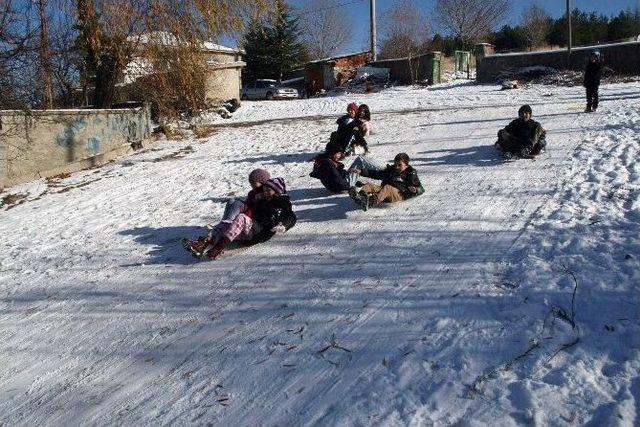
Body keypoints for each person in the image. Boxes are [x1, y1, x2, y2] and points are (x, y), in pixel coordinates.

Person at [185, 178, 296, 259]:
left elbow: (291, 216)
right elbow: (251, 208)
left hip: (260, 233)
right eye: (265, 190)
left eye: (268, 190)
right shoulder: (262, 200)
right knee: (227, 223)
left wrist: (284, 225)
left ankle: (218, 248)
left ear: (277, 191)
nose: (265, 192)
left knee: (241, 218)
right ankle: (202, 245)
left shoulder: (283, 203)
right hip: (252, 229)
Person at [349, 153, 424, 210]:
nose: (396, 167)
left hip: (399, 194)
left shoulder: (411, 173)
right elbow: (377, 174)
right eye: (395, 164)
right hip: (384, 192)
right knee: (369, 185)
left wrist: (415, 189)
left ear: (406, 165)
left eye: (399, 165)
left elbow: (421, 188)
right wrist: (361, 171)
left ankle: (371, 202)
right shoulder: (391, 170)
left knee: (388, 187)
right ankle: (361, 198)